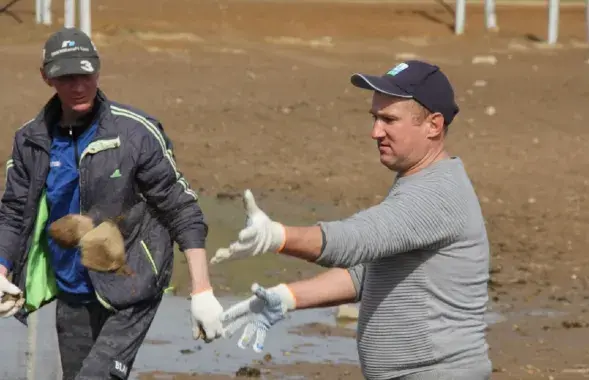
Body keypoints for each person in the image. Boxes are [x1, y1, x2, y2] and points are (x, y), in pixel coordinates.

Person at [213, 60, 492, 380]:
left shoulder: (436, 193)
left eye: (389, 120)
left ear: (433, 125)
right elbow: (367, 272)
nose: (375, 132)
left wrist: (277, 236)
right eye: (375, 118)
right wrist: (286, 298)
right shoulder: (420, 181)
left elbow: (356, 240)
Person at [0, 27, 224, 380]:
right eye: (67, 77)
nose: (78, 86)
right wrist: (1, 268)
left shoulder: (135, 134)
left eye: (86, 74)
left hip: (133, 283)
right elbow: (13, 213)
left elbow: (183, 210)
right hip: (72, 287)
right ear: (46, 77)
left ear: (98, 70)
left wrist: (202, 291)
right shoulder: (31, 140)